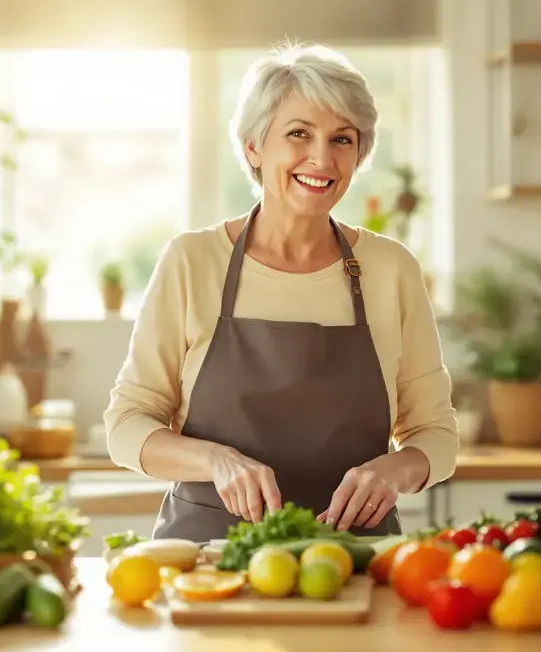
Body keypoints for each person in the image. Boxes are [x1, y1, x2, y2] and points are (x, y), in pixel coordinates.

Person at [104, 43, 458, 543]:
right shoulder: (192, 261)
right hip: (208, 560)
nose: (322, 158)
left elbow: (436, 434)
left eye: (343, 139)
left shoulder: (390, 268)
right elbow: (126, 425)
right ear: (253, 146)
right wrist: (216, 461)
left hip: (352, 560)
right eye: (298, 133)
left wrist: (393, 472)